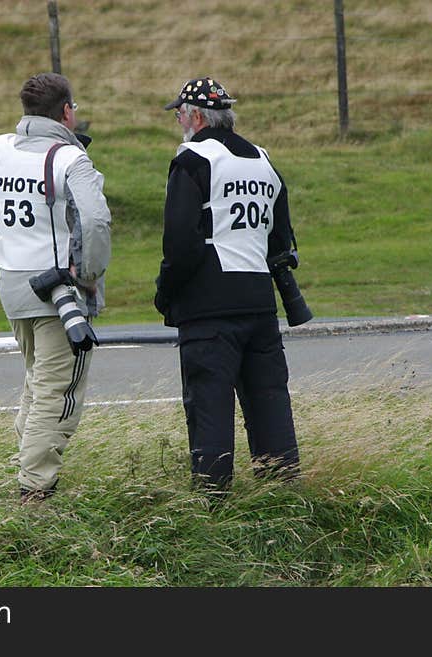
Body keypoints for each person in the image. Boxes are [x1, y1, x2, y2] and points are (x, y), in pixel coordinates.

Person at [154, 76, 301, 492]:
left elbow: (180, 242)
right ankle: (282, 497)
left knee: (210, 411)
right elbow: (280, 238)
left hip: (208, 307)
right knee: (270, 404)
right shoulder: (262, 158)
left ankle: (212, 508)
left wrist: (166, 292)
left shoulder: (193, 158)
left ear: (196, 116)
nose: (179, 122)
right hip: (259, 301)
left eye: (180, 114)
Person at [0, 73, 112, 502]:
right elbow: (94, 222)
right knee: (58, 394)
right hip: (58, 292)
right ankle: (34, 490)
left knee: (37, 383)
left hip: (12, 283)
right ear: (67, 112)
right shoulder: (70, 161)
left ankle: (27, 468)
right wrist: (88, 277)